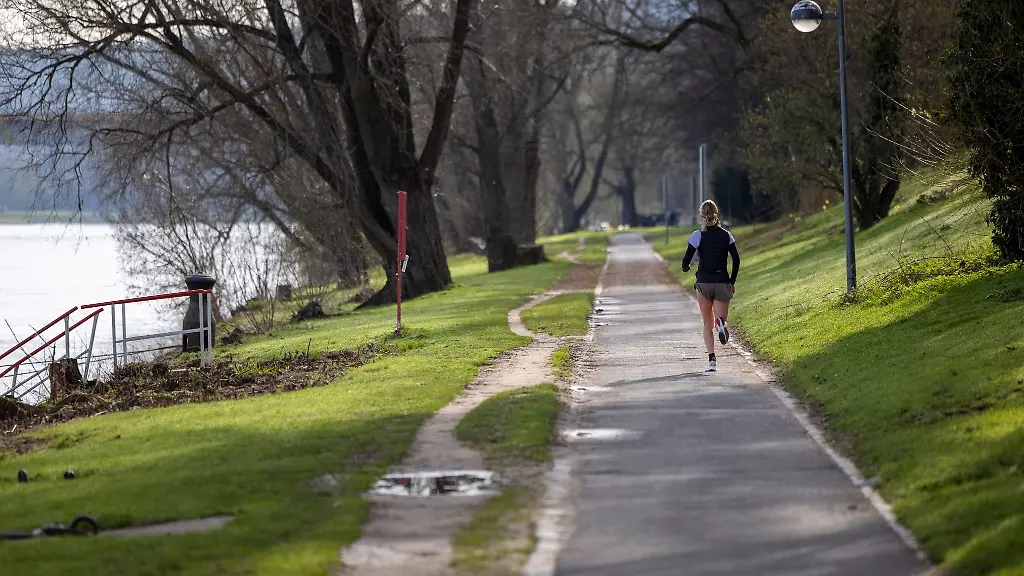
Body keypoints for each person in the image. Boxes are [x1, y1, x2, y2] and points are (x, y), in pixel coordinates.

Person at [681, 200, 740, 372]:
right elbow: (736, 259)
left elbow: (685, 262)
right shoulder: (726, 235)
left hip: (704, 283)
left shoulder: (697, 236)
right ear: (717, 214)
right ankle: (721, 323)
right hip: (722, 282)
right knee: (719, 319)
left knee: (707, 323)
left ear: (701, 215)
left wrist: (687, 267)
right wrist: (732, 281)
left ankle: (712, 361)